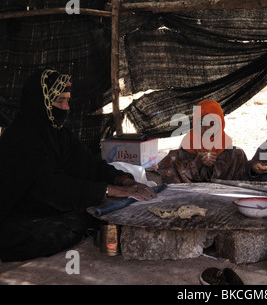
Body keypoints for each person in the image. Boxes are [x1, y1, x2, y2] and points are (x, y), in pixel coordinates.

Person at [0, 69, 157, 262]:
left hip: (49, 205)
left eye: (67, 100)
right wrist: (110, 190)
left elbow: (88, 163)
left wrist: (121, 180)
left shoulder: (57, 132)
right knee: (61, 231)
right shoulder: (21, 138)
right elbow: (53, 186)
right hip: (17, 214)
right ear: (41, 102)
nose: (66, 108)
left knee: (92, 215)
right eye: (60, 101)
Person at [158, 99, 248, 183]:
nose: (207, 129)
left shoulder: (226, 144)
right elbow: (177, 168)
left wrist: (215, 165)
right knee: (171, 159)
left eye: (212, 124)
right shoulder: (189, 141)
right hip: (192, 190)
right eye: (201, 123)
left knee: (238, 154)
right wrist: (197, 163)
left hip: (222, 190)